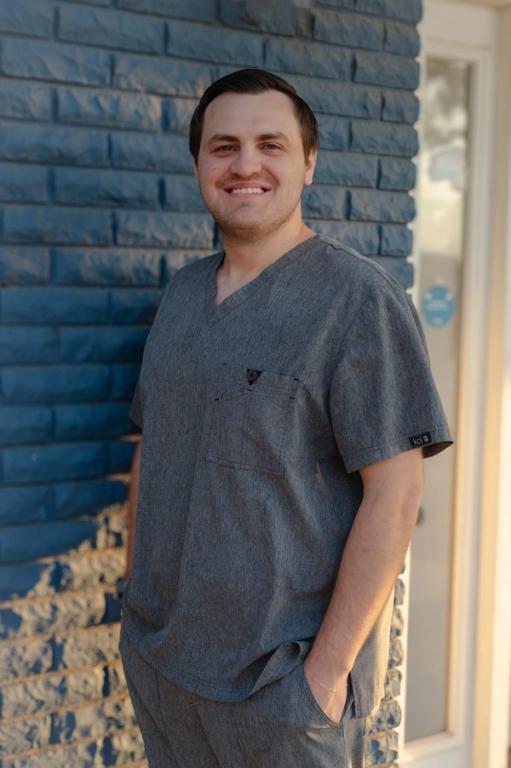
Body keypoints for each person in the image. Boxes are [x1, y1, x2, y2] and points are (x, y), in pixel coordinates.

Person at [117, 68, 454, 767]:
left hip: (282, 690)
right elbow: (156, 445)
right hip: (166, 669)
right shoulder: (181, 297)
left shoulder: (356, 301)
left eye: (269, 144)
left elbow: (396, 493)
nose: (245, 165)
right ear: (199, 165)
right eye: (223, 147)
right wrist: (135, 603)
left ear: (307, 163)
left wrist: (323, 676)